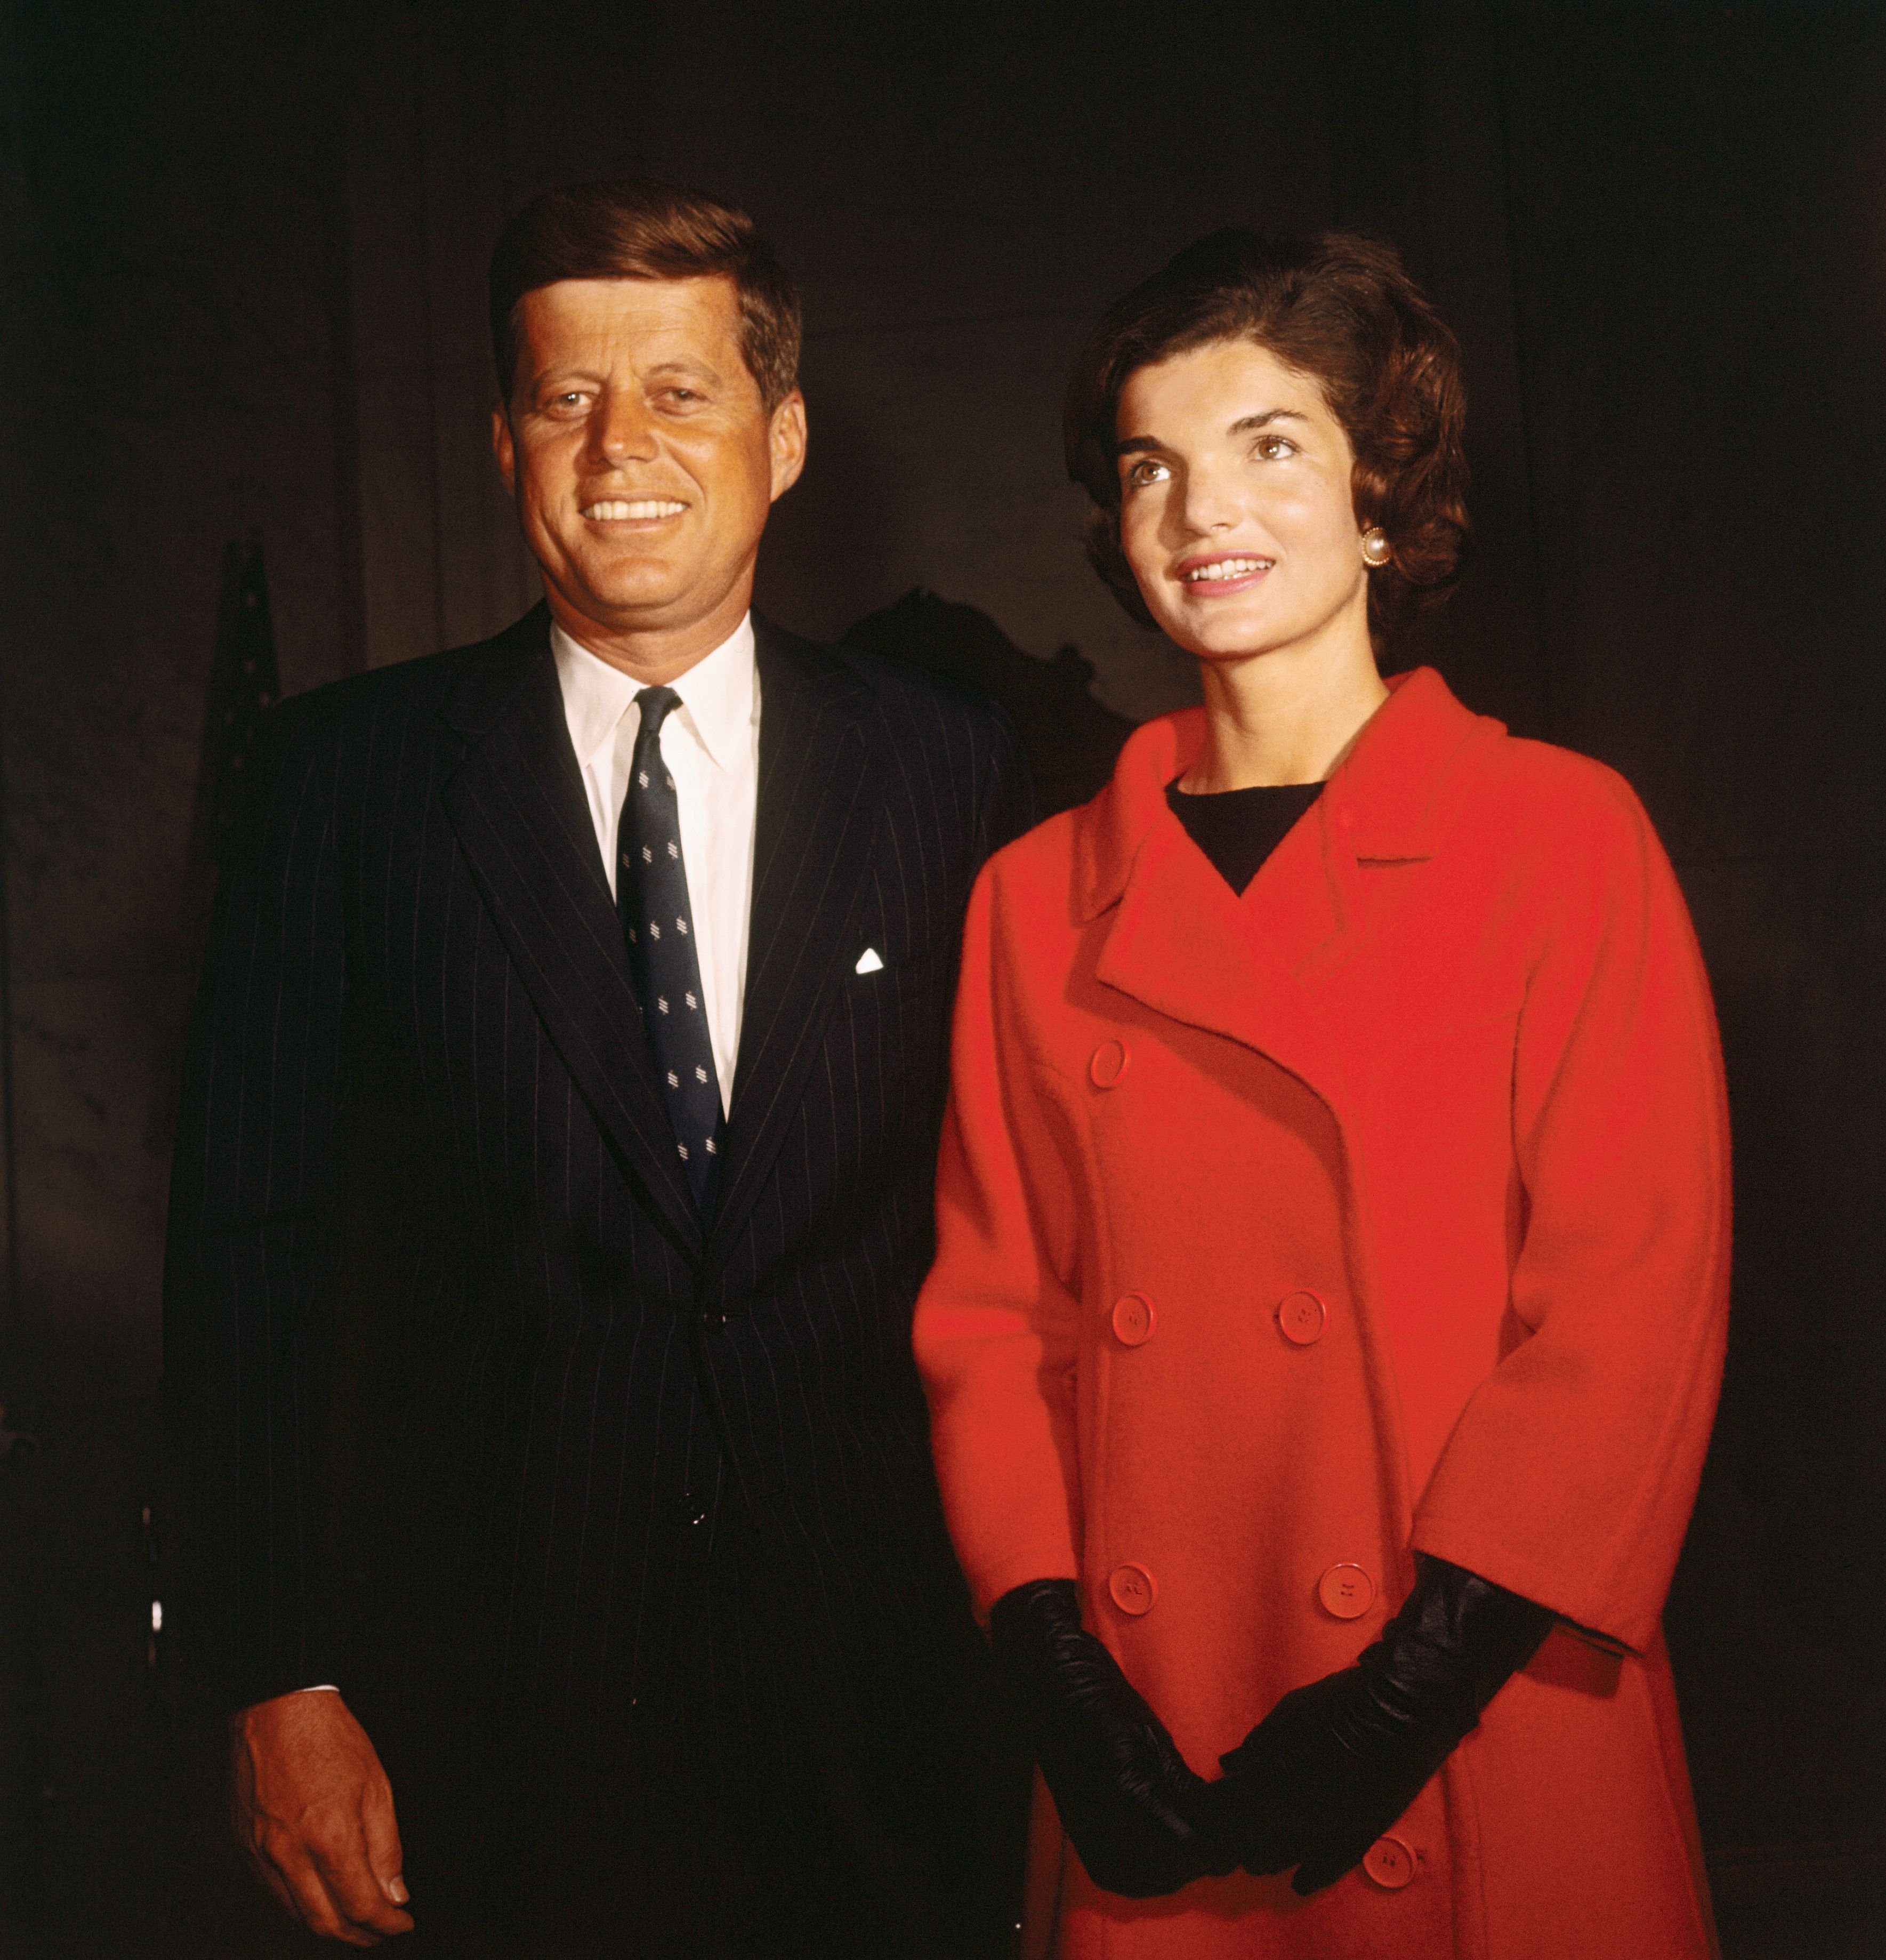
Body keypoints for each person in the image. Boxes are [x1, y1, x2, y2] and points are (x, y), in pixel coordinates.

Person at [164, 177, 1034, 1959]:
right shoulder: (345, 787)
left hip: (889, 1703)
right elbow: (245, 1255)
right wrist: (271, 1672)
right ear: (503, 441)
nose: (618, 442)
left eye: (680, 390)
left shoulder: (954, 766)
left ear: (781, 437)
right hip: (487, 1716)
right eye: (566, 398)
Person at [912, 229, 1729, 1958]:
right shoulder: (1027, 897)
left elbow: (1624, 1310)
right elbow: (992, 1324)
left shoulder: (1562, 839)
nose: (1202, 508)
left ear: (1380, 497)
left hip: (1486, 1703)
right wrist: (1053, 1663)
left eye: (1267, 446)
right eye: (1154, 466)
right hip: (1158, 1718)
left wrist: (1405, 1697)